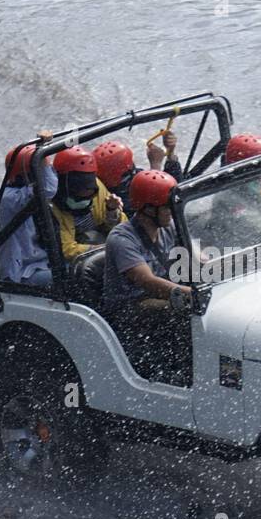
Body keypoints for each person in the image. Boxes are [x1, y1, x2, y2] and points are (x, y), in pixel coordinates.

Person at [102, 170, 193, 380]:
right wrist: (192, 294)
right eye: (166, 207)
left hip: (161, 294)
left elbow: (195, 252)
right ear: (148, 209)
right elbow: (146, 281)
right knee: (186, 311)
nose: (171, 211)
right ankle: (178, 372)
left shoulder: (168, 226)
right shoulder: (122, 238)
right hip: (129, 305)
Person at [201, 133, 261, 247]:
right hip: (242, 254)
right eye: (260, 165)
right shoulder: (226, 198)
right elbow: (258, 228)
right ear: (242, 169)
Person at [0, 142, 56, 287]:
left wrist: (42, 149)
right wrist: (43, 158)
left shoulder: (27, 193)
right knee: (71, 279)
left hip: (43, 263)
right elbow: (49, 189)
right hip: (22, 273)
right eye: (38, 171)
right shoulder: (10, 198)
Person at [49, 146, 126, 263]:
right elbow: (66, 249)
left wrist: (112, 211)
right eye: (80, 194)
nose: (85, 198)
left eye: (89, 194)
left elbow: (122, 229)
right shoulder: (52, 206)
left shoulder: (97, 188)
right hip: (71, 257)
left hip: (96, 240)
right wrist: (102, 249)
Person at [94, 132, 183, 206]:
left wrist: (170, 153)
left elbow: (176, 185)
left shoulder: (127, 181)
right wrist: (156, 166)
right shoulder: (117, 201)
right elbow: (170, 197)